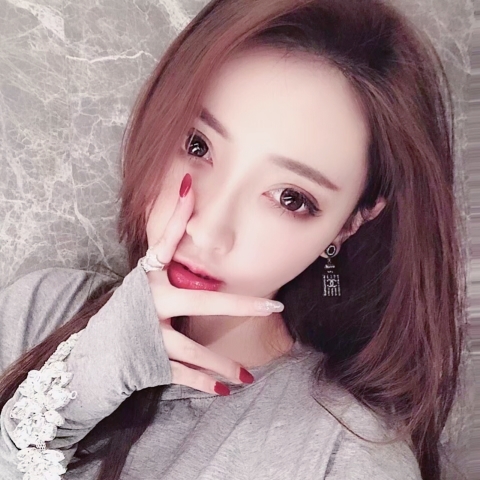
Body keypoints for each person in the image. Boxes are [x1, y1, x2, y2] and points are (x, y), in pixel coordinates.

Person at [0, 0, 466, 478]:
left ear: (349, 223)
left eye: (290, 197)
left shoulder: (345, 456)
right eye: (197, 144)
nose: (207, 230)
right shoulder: (39, 310)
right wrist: (68, 392)